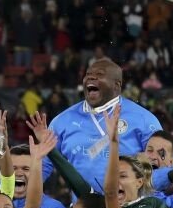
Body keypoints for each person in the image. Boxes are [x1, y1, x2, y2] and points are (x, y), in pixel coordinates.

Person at [45, 59, 162, 192]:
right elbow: (42, 166)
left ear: (116, 86)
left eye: (100, 74)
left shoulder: (144, 119)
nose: (91, 77)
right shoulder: (62, 121)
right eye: (88, 74)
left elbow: (165, 165)